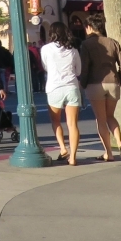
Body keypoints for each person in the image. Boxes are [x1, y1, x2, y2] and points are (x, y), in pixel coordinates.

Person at [80, 14, 121, 162]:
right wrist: (118, 80)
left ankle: (108, 153)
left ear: (89, 27)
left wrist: (83, 84)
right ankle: (120, 143)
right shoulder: (113, 42)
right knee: (110, 116)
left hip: (95, 83)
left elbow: (85, 68)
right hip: (113, 83)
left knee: (101, 120)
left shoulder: (86, 45)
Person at [42, 21, 82, 165]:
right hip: (71, 87)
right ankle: (73, 157)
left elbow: (45, 67)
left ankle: (63, 148)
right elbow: (79, 71)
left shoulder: (46, 49)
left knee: (56, 121)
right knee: (73, 124)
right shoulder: (73, 50)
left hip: (54, 87)